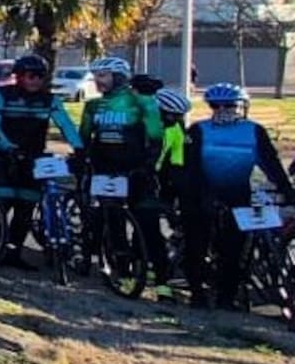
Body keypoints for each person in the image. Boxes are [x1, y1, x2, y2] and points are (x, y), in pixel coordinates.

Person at [187, 83, 293, 310]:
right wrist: (201, 195)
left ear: (242, 107)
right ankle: (197, 293)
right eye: (216, 105)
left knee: (234, 249)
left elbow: (271, 165)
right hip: (204, 194)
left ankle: (227, 297)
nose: (223, 110)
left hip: (239, 195)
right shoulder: (198, 130)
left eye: (230, 106)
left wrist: (287, 192)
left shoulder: (254, 131)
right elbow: (190, 169)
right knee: (198, 242)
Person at [0, 54, 83, 270]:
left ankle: (14, 252)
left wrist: (80, 148)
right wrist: (7, 147)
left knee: (25, 208)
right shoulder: (0, 95)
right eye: (31, 76)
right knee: (1, 204)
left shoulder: (50, 100)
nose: (35, 80)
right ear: (18, 76)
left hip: (34, 158)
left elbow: (66, 124)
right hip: (5, 156)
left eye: (40, 76)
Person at [80, 57, 168, 294]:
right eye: (96, 76)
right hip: (105, 172)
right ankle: (123, 271)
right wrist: (83, 162)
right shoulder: (93, 106)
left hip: (136, 170)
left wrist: (148, 166)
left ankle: (162, 281)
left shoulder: (142, 102)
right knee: (112, 220)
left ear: (119, 77)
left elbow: (157, 139)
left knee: (148, 224)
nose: (98, 81)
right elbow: (85, 139)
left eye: (104, 75)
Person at [155, 88, 195, 304]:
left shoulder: (177, 131)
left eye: (177, 116)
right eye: (169, 115)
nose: (173, 120)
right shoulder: (145, 125)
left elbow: (178, 164)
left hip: (162, 180)